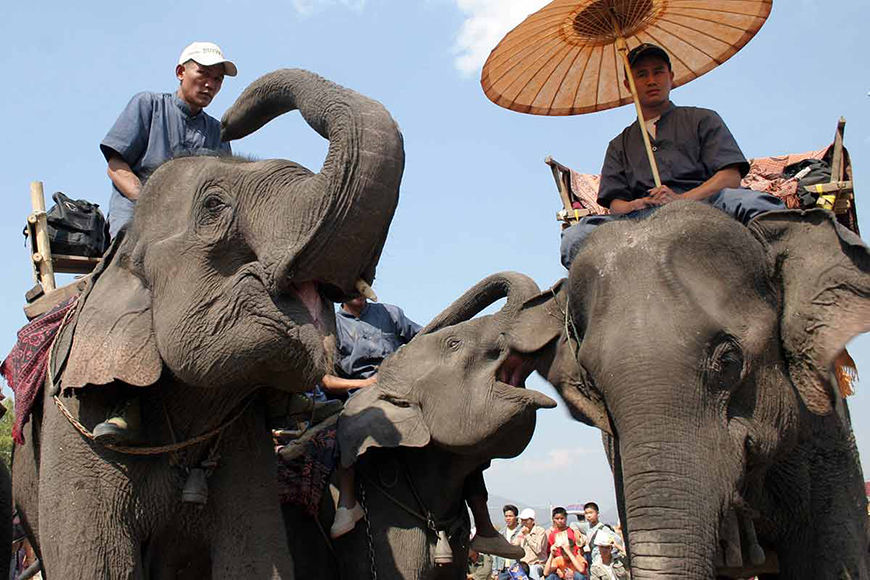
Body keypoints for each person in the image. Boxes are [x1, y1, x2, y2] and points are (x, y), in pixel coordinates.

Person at [92, 41, 237, 443]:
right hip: (137, 216)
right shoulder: (147, 105)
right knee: (137, 283)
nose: (210, 84)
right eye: (203, 74)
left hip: (189, 231)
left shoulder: (217, 132)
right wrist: (152, 205)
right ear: (180, 73)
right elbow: (116, 166)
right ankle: (123, 398)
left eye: (218, 79)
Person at [327, 297, 523, 562]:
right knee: (349, 421)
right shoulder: (333, 325)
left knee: (460, 433)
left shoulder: (390, 313)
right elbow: (325, 379)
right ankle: (347, 503)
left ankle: (484, 525)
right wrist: (366, 384)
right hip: (361, 391)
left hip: (407, 387)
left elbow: (426, 340)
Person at [559, 42, 784, 269]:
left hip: (708, 203)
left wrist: (681, 199)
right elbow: (616, 204)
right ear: (629, 85)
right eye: (641, 75)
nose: (651, 80)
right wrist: (638, 203)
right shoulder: (619, 145)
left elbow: (730, 177)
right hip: (642, 218)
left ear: (671, 77)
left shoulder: (702, 119)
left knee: (755, 203)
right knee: (575, 237)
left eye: (658, 72)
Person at [545, 507, 588, 580]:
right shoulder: (552, 535)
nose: (560, 521)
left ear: (566, 518)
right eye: (557, 519)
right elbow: (550, 552)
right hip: (559, 564)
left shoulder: (572, 531)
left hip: (573, 560)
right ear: (553, 519)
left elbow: (578, 549)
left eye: (562, 518)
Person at [493, 505, 524, 579]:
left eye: (510, 516)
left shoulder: (522, 531)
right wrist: (495, 571)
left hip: (517, 568)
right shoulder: (501, 533)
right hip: (503, 569)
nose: (508, 518)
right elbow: (496, 553)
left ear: (516, 517)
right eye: (506, 516)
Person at [515, 508, 548, 580]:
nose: (523, 522)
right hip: (524, 564)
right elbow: (516, 543)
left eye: (526, 520)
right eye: (522, 520)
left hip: (537, 564)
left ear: (532, 520)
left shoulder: (540, 531)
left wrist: (527, 535)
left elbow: (538, 549)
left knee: (533, 570)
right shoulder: (522, 531)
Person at [582, 503, 617, 567]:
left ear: (597, 513)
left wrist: (608, 556)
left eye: (591, 512)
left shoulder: (604, 529)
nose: (588, 515)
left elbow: (617, 541)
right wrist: (576, 531)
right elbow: (573, 524)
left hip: (602, 563)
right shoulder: (587, 527)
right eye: (586, 513)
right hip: (592, 562)